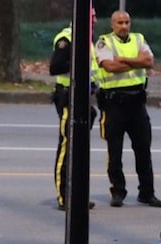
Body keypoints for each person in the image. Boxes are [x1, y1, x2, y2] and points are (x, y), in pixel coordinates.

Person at [94, 10, 161, 208]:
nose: (124, 26)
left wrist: (123, 60)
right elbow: (110, 67)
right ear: (112, 25)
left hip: (137, 103)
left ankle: (147, 192)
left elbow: (149, 62)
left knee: (143, 149)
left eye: (126, 22)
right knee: (114, 151)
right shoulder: (103, 42)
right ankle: (118, 191)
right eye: (120, 23)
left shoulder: (139, 39)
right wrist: (136, 61)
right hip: (113, 103)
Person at [49, 8, 99, 211]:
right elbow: (55, 67)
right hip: (69, 98)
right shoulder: (67, 39)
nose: (94, 18)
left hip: (84, 99)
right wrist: (78, 61)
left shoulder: (87, 38)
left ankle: (77, 196)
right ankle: (64, 197)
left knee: (79, 150)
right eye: (91, 15)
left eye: (95, 15)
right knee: (67, 148)